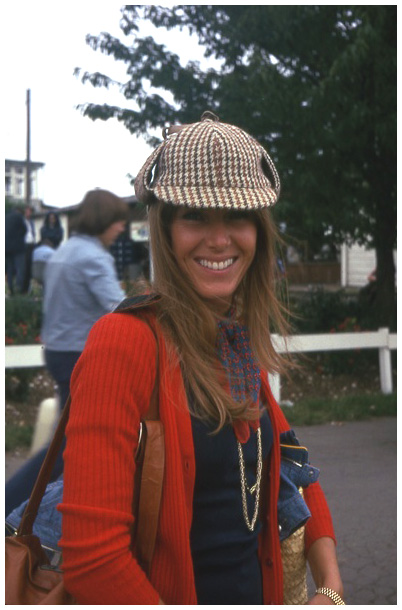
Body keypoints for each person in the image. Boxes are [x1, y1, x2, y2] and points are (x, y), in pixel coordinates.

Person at [58, 113, 344, 605]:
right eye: (195, 215)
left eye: (236, 216)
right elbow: (93, 563)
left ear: (258, 230)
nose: (219, 239)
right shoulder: (122, 342)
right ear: (165, 230)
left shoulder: (233, 343)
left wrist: (332, 589)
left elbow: (294, 467)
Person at [5, 189, 128, 517]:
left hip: (59, 351)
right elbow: (120, 307)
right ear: (105, 220)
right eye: (118, 221)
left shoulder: (64, 251)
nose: (121, 229)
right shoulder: (94, 258)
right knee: (66, 448)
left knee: (71, 442)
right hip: (80, 356)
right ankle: (12, 507)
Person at [5, 206, 27, 295]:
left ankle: (10, 290)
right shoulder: (19, 217)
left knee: (9, 270)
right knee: (19, 269)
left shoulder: (5, 217)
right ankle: (18, 289)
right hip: (18, 248)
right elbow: (24, 230)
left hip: (6, 248)